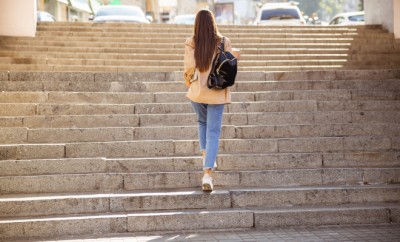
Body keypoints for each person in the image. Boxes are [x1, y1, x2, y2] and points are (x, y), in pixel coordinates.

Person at [183, 9, 234, 191]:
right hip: (217, 92)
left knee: (202, 123)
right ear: (213, 23)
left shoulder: (192, 42)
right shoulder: (223, 41)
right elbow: (230, 66)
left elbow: (189, 68)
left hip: (197, 92)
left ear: (197, 24)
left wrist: (188, 81)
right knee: (213, 131)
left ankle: (207, 158)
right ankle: (207, 174)